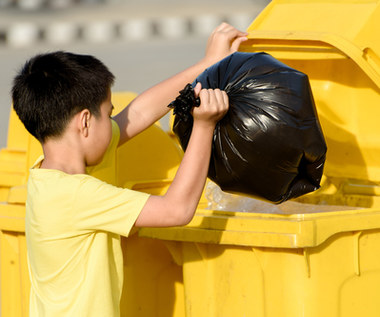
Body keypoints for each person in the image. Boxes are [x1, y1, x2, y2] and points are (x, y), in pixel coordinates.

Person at [11, 23, 247, 316]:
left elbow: (139, 112)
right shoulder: (75, 194)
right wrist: (204, 125)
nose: (114, 123)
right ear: (84, 122)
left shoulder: (55, 171)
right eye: (108, 113)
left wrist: (206, 65)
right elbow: (177, 210)